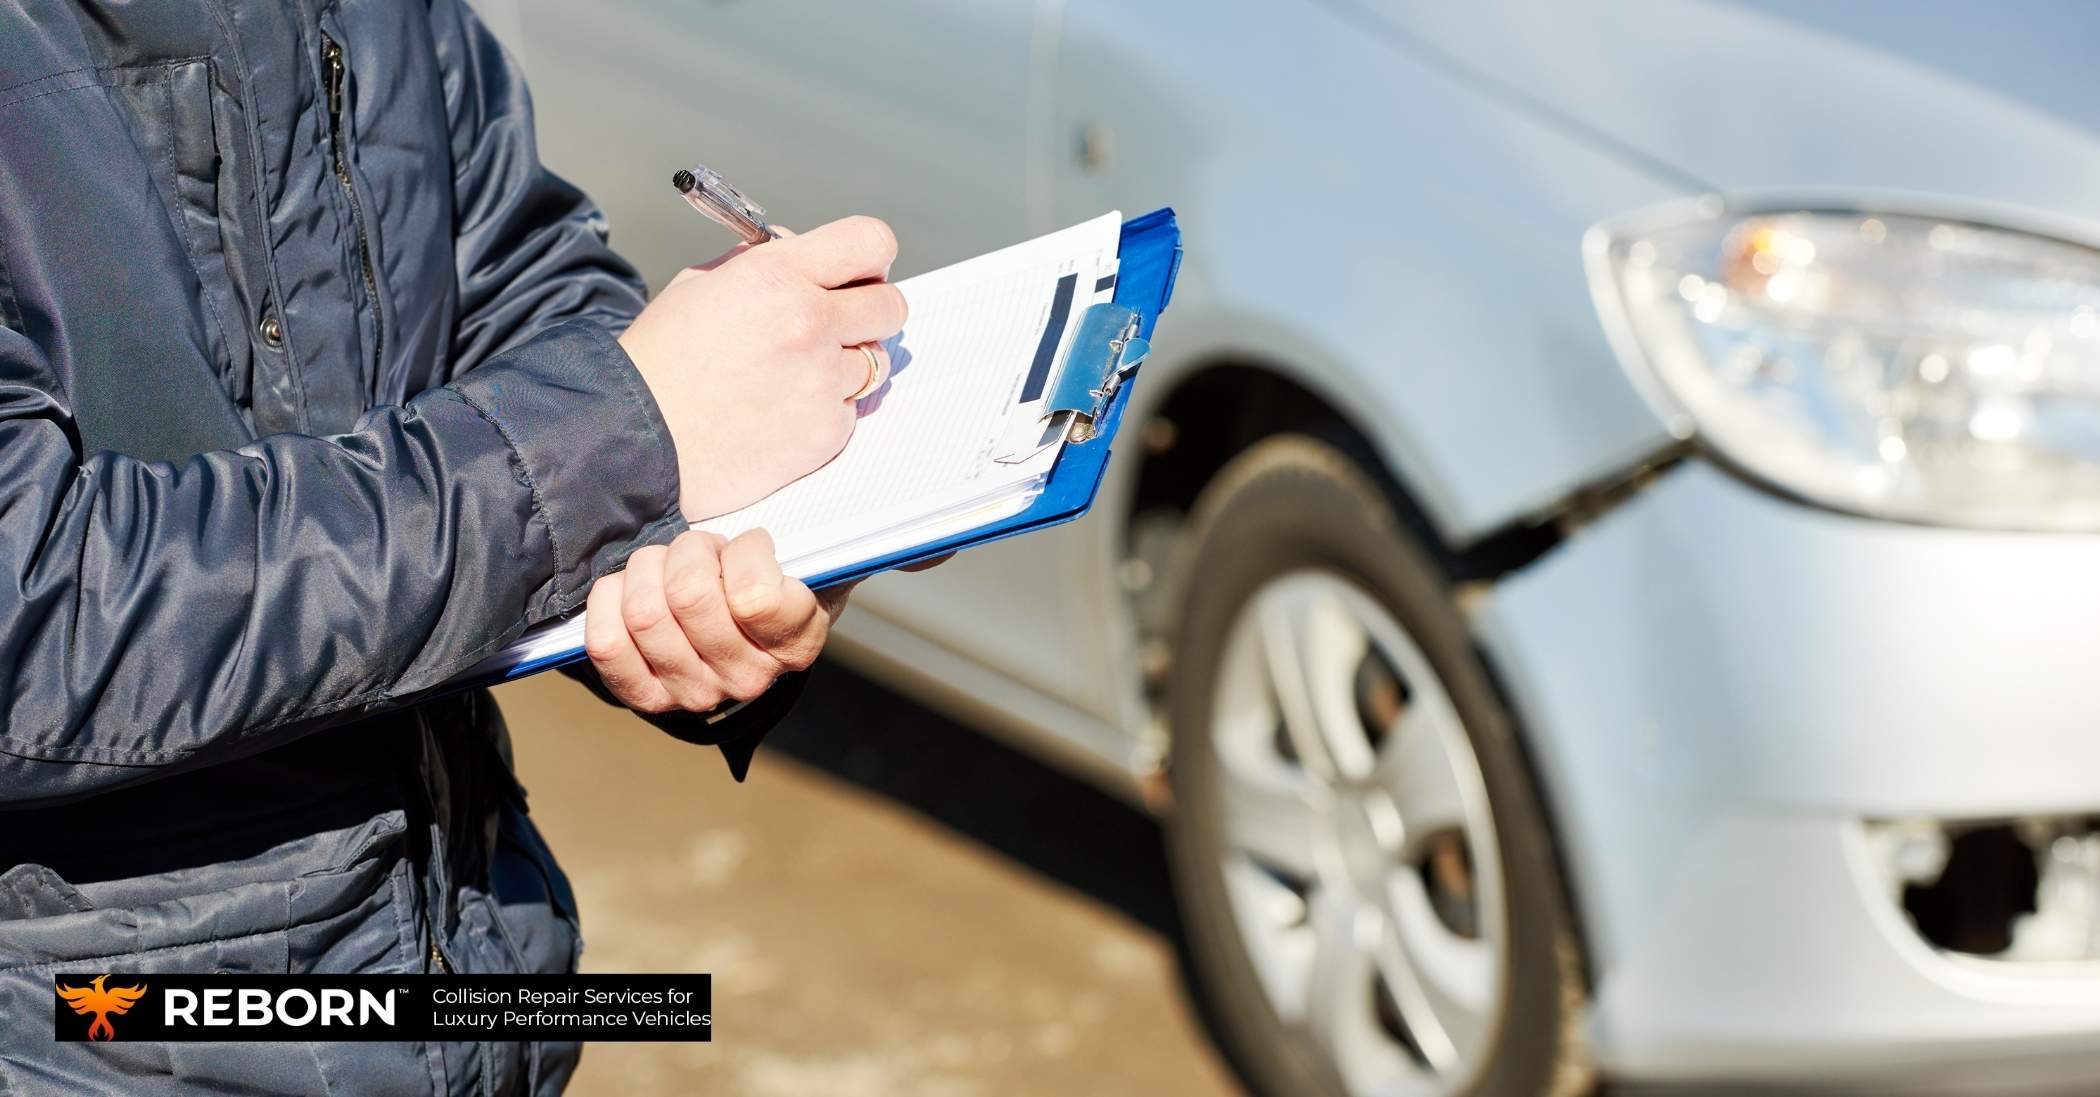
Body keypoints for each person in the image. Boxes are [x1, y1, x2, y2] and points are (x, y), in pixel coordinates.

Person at [0, 1, 905, 1092]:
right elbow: (33, 610)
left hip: (470, 970)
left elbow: (516, 286)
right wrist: (624, 430)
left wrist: (695, 556)